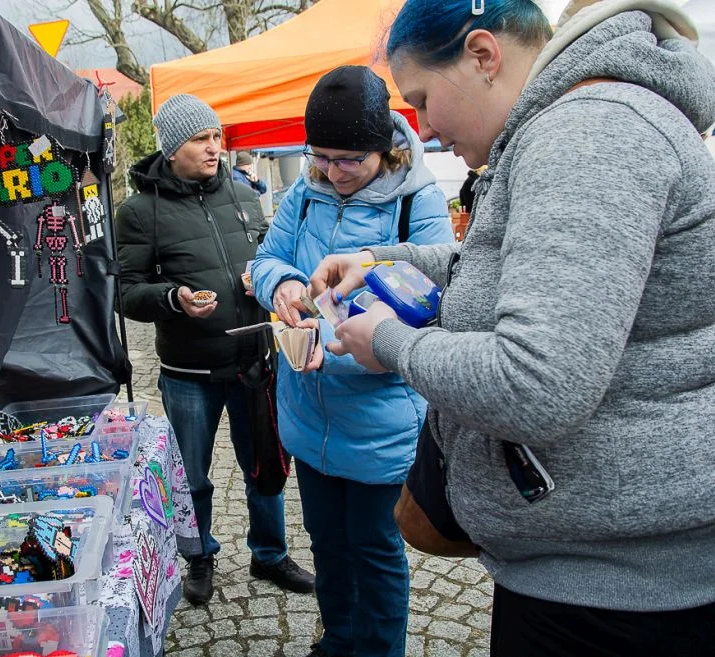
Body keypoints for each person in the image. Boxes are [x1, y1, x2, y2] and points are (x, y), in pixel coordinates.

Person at [310, 0, 715, 654]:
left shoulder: (588, 133)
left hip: (611, 598)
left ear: (481, 56)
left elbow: (537, 383)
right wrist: (380, 261)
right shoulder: (567, 128)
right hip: (595, 572)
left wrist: (387, 340)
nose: (424, 130)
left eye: (420, 98)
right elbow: (500, 263)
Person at [251, 66, 454, 657]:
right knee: (326, 543)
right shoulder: (303, 193)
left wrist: (336, 343)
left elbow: (430, 307)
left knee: (374, 548)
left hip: (379, 423)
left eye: (349, 161)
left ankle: (378, 649)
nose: (333, 174)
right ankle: (338, 640)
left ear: (385, 150)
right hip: (308, 417)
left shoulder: (418, 202)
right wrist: (284, 285)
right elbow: (267, 258)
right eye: (320, 158)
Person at [115, 93, 314, 605]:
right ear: (173, 147)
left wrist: (264, 279)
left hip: (254, 362)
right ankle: (198, 555)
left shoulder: (243, 193)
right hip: (188, 372)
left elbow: (272, 251)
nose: (215, 148)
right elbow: (125, 292)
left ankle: (269, 554)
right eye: (202, 139)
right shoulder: (138, 212)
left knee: (265, 466)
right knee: (191, 475)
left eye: (217, 137)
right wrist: (174, 299)